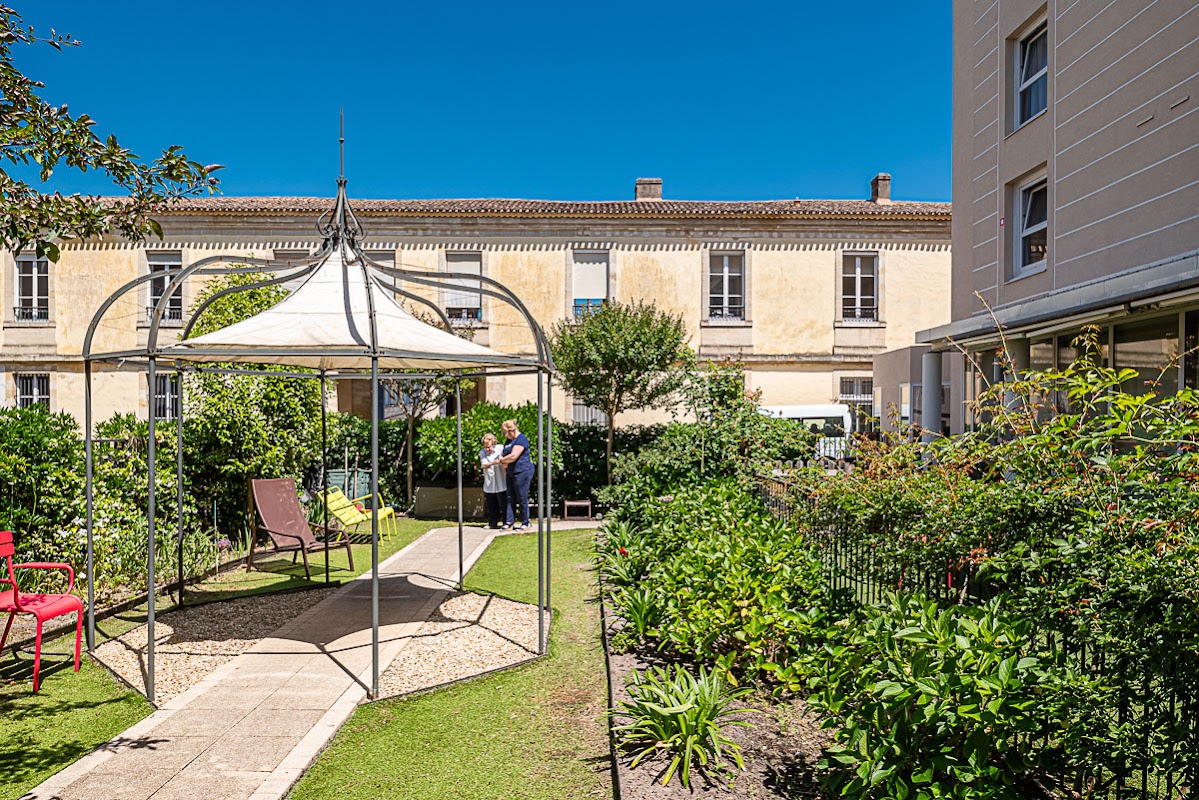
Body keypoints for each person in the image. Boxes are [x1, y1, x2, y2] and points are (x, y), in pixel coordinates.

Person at [498, 418, 534, 530]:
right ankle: (509, 522)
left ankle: (525, 522)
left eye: (506, 433)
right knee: (510, 497)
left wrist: (502, 460)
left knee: (521, 496)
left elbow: (513, 456)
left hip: (522, 471)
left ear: (511, 431)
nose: (505, 436)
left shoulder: (521, 439)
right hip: (511, 472)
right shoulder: (509, 441)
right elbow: (506, 455)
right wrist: (504, 461)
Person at [479, 433, 511, 530]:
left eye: (489, 447)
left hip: (501, 480)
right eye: (485, 447)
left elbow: (506, 460)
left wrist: (501, 461)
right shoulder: (482, 452)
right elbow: (484, 465)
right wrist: (494, 462)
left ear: (493, 444)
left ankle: (507, 522)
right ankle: (492, 523)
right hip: (490, 482)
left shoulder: (500, 448)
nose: (487, 449)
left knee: (503, 503)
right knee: (491, 504)